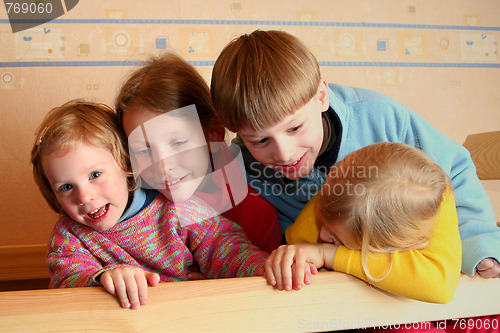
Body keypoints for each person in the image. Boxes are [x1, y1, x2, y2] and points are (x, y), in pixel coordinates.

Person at [210, 29, 500, 279]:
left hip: (402, 262)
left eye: (295, 127)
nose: (283, 153)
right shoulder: (240, 161)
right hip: (326, 282)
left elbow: (456, 169)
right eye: (260, 140)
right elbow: (198, 215)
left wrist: (478, 239)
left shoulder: (382, 118)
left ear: (321, 97)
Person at [30, 100, 269, 309]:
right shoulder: (69, 235)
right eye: (66, 187)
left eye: (95, 175)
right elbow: (66, 279)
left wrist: (262, 268)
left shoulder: (174, 208)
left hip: (187, 316)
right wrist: (102, 278)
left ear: (125, 165)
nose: (83, 197)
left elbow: (224, 248)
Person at [114, 52, 282, 254]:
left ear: (214, 133)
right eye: (143, 150)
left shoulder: (256, 215)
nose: (162, 165)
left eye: (178, 143)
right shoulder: (124, 210)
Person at [265, 142, 462, 303]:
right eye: (322, 219)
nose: (322, 235)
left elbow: (440, 286)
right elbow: (295, 249)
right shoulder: (330, 205)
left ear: (383, 245)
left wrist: (328, 254)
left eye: (335, 238)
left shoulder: (434, 199)